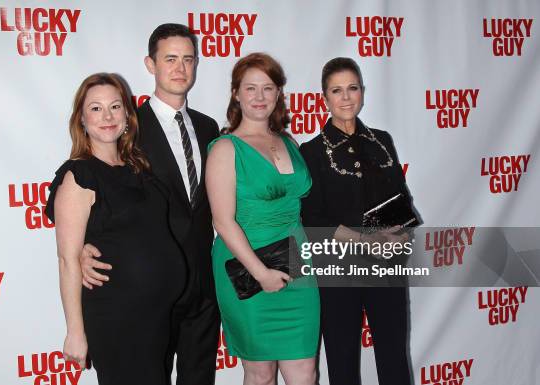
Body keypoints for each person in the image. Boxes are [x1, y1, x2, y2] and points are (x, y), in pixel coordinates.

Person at [78, 24, 221, 385]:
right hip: (151, 284)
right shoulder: (127, 126)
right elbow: (96, 186)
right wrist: (82, 246)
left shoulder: (208, 128)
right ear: (150, 64)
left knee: (199, 376)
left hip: (204, 282)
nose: (180, 68)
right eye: (170, 58)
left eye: (188, 59)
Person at [45, 73, 186, 384]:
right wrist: (75, 332)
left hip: (156, 315)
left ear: (127, 115)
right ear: (81, 119)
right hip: (118, 318)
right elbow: (68, 259)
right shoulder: (79, 175)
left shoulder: (138, 167)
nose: (107, 116)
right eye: (95, 109)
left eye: (115, 106)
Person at [206, 52, 320, 385]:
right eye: (250, 88)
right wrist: (261, 274)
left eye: (268, 88)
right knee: (260, 373)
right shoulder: (225, 149)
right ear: (236, 94)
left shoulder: (289, 142)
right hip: (247, 267)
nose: (259, 97)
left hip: (298, 266)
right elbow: (223, 221)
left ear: (278, 94)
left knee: (305, 372)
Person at [300, 57, 415, 385]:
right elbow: (313, 217)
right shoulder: (311, 151)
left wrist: (399, 234)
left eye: (352, 88)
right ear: (325, 98)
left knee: (394, 355)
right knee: (342, 359)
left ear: (362, 92)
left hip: (387, 267)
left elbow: (400, 199)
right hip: (338, 272)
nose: (346, 97)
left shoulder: (381, 140)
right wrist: (365, 241)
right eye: (337, 90)